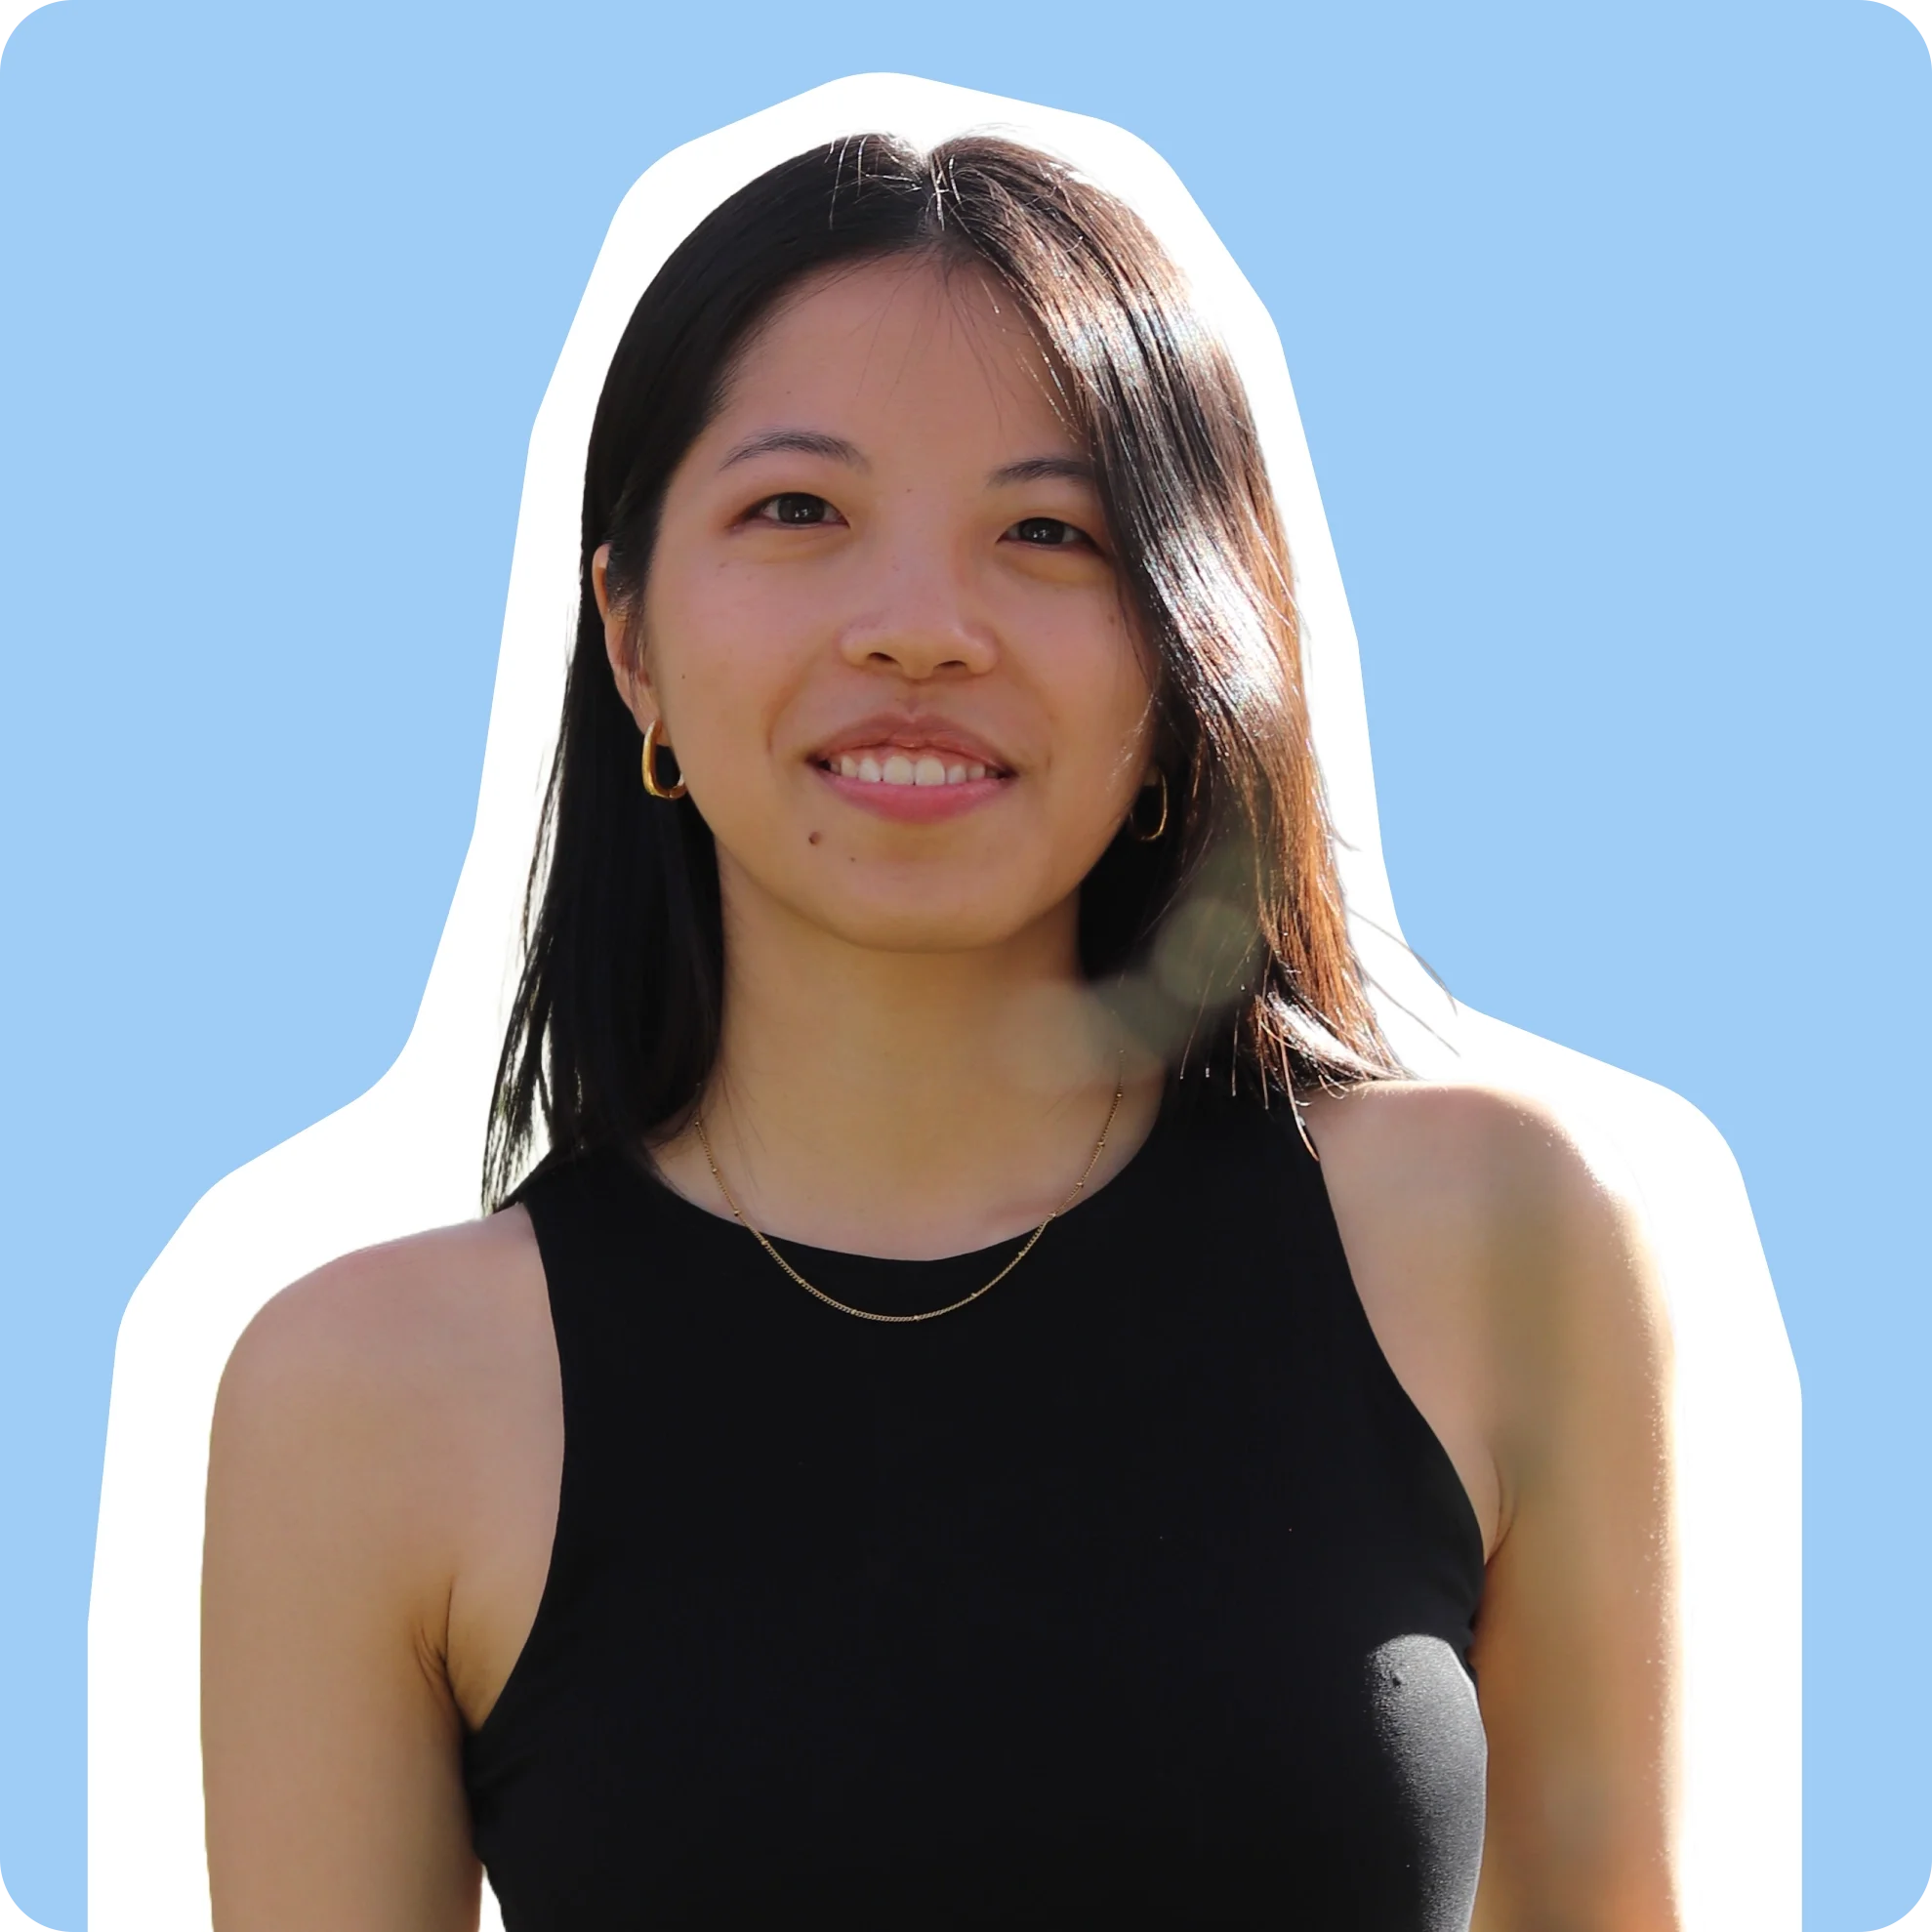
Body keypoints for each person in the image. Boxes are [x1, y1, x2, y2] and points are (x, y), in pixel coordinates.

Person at [198, 132, 1681, 1931]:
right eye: (797, 511)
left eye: (1047, 532)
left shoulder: (1487, 1243)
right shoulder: (364, 1396)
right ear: (630, 635)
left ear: (1182, 645)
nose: (919, 629)